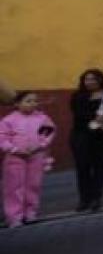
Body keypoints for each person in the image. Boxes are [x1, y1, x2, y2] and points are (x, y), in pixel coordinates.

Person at [70, 68, 103, 212]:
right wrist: (96, 116)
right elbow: (78, 114)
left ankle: (96, 199)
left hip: (102, 138)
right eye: (87, 79)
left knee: (100, 169)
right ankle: (84, 199)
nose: (90, 82)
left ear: (101, 80)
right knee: (83, 169)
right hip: (82, 137)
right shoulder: (78, 96)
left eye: (93, 79)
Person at [0, 91, 56, 227]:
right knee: (14, 187)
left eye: (35, 101)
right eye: (28, 101)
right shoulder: (8, 120)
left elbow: (48, 133)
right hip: (15, 158)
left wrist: (40, 146)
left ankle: (30, 213)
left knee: (33, 185)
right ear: (17, 104)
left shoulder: (42, 118)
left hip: (36, 156)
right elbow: (2, 138)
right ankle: (14, 217)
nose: (32, 104)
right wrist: (15, 149)